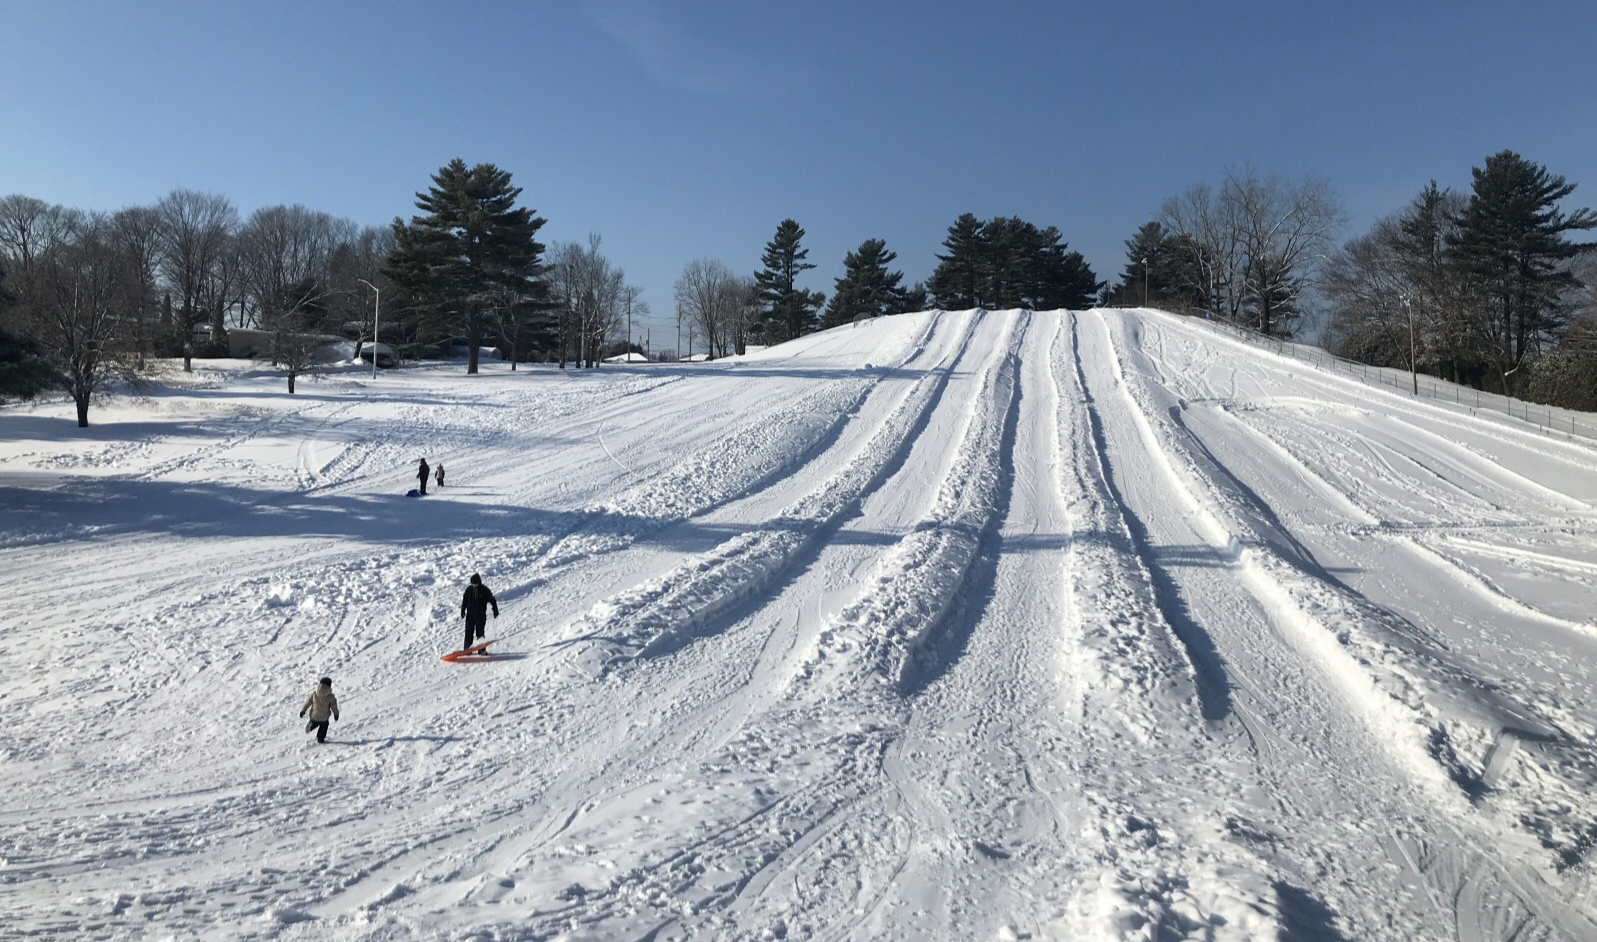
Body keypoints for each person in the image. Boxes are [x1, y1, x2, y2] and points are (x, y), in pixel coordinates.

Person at [460, 573, 499, 650]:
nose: (474, 585)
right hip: (470, 615)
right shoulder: (469, 590)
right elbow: (465, 601)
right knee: (468, 633)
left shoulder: (484, 590)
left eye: (475, 583)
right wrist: (463, 609)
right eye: (473, 584)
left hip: (480, 616)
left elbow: (492, 600)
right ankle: (467, 649)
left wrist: (495, 609)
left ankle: (481, 650)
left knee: (480, 633)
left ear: (479, 582)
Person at [299, 676, 340, 743]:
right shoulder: (331, 697)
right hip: (324, 717)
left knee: (315, 722)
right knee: (324, 727)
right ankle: (320, 738)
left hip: (314, 715)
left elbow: (308, 702)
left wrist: (303, 710)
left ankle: (311, 725)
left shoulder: (315, 693)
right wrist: (336, 714)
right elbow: (334, 706)